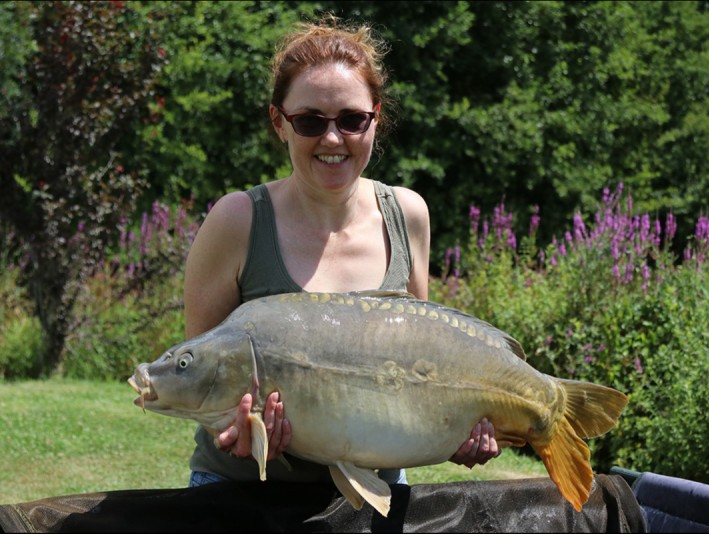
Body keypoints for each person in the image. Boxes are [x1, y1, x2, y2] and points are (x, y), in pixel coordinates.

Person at [183, 14, 500, 490]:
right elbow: (202, 381)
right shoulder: (236, 220)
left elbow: (420, 370)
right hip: (240, 493)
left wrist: (453, 427)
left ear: (376, 118)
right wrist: (234, 430)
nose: (332, 139)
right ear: (280, 123)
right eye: (310, 121)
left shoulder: (408, 214)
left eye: (352, 120)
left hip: (378, 488)